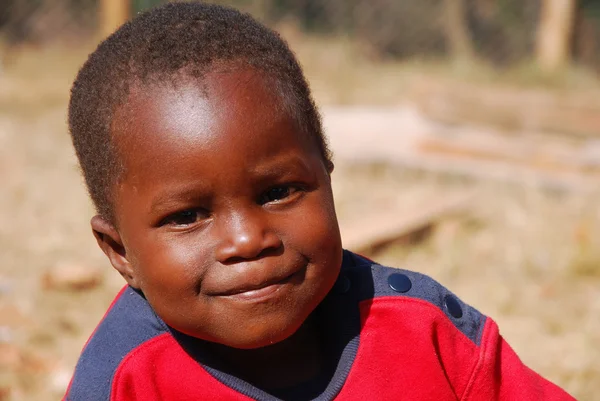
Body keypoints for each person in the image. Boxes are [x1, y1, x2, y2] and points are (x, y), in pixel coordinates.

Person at [63, 2, 575, 400]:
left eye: (278, 192)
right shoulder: (124, 382)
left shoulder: (426, 333)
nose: (248, 240)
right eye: (188, 217)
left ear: (327, 176)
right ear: (120, 252)